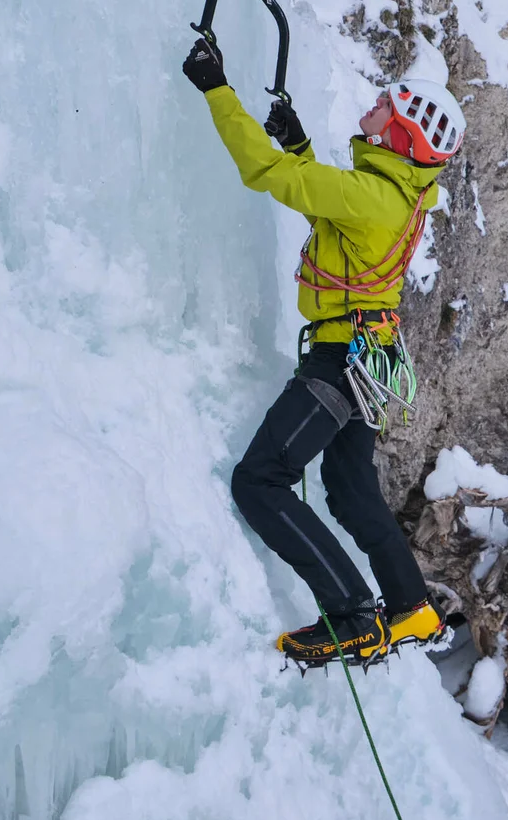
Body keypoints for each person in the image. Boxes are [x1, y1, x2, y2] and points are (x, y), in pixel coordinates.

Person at [182, 34, 465, 663]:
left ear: (403, 135)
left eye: (386, 106)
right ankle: (413, 607)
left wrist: (217, 91)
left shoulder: (374, 195)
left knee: (260, 480)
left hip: (339, 361)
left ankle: (352, 614)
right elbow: (332, 216)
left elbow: (269, 176)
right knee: (350, 490)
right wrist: (301, 146)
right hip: (366, 358)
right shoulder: (394, 193)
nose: (375, 106)